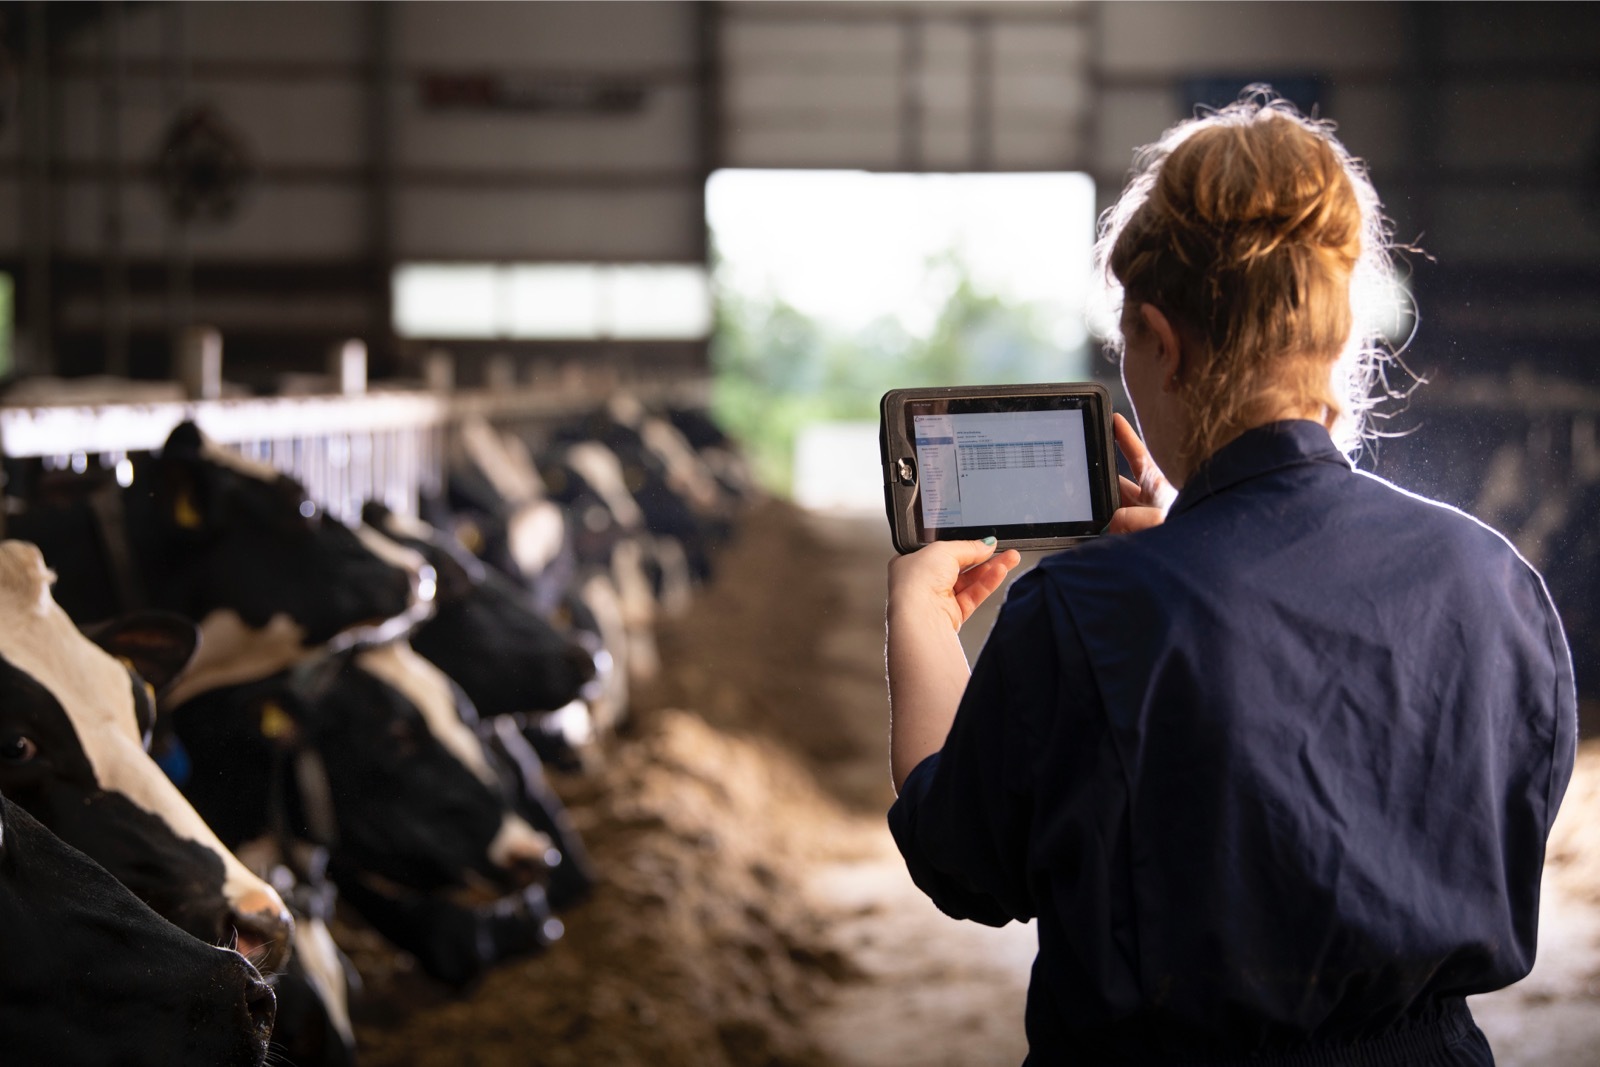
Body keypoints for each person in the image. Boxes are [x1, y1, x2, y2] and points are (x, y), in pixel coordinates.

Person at [885, 90, 1577, 1066]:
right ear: (1337, 340)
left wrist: (918, 613)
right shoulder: (1496, 580)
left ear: (1160, 342)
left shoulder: (1090, 612)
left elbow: (960, 855)